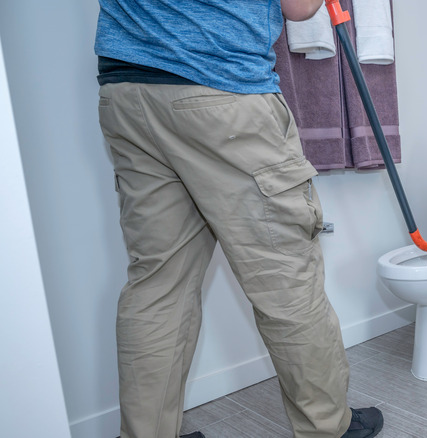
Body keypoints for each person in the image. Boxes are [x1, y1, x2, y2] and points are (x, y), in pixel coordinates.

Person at [94, 1, 383, 437]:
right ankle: (329, 429)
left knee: (157, 285)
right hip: (220, 88)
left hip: (127, 91)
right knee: (285, 281)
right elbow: (301, 8)